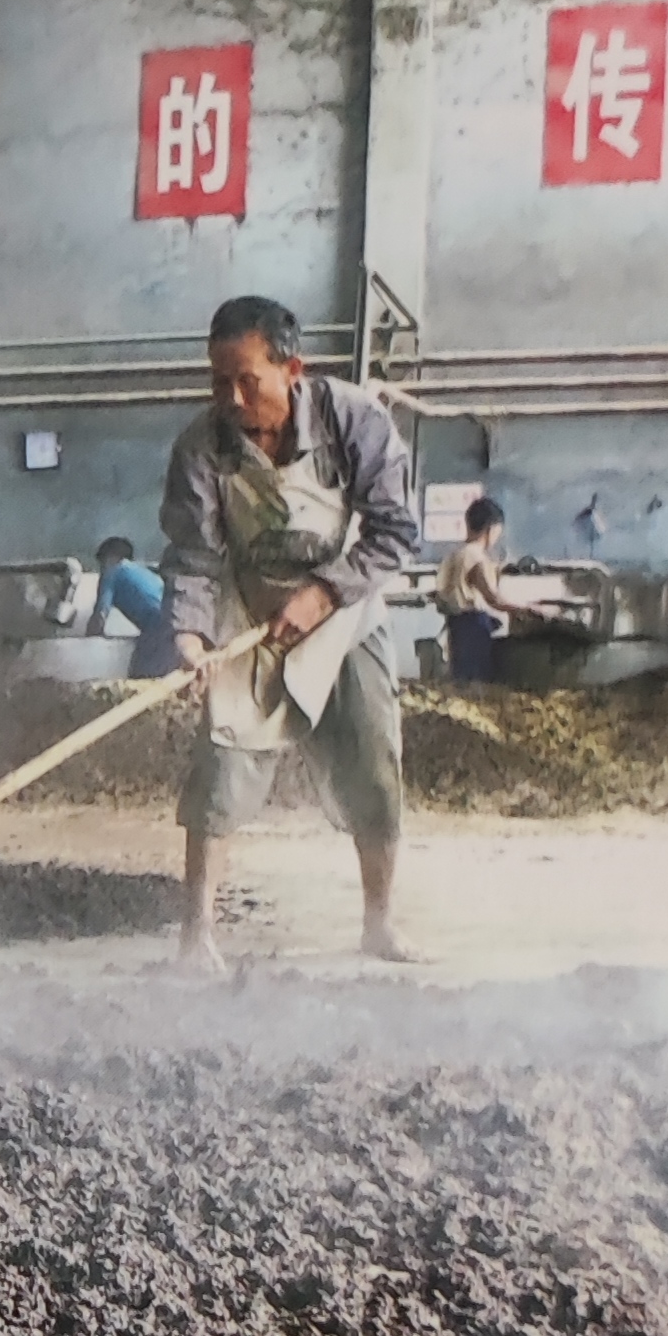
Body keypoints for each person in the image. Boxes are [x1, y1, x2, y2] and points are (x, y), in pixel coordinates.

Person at [159, 294, 427, 972]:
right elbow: (193, 556)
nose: (232, 398)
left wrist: (325, 593)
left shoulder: (354, 421)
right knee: (223, 761)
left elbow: (396, 532)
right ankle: (196, 936)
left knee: (373, 760)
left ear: (292, 370)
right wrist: (191, 637)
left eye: (248, 381)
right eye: (219, 381)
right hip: (251, 611)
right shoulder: (201, 447)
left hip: (346, 610)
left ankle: (379, 923)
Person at [435, 497, 512, 684]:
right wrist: (527, 609)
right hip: (474, 626)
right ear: (492, 529)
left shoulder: (453, 555)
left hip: (455, 624)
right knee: (476, 682)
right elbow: (493, 598)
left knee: (461, 679)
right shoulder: (476, 557)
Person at [96, 536, 177, 676]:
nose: (101, 569)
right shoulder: (143, 570)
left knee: (139, 676)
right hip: (175, 622)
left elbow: (100, 615)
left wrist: (88, 643)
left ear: (110, 557)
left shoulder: (112, 571)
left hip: (157, 627)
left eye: (101, 563)